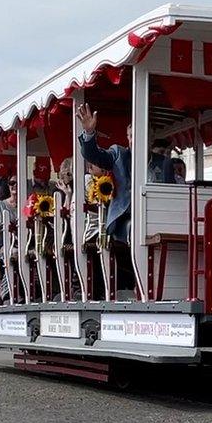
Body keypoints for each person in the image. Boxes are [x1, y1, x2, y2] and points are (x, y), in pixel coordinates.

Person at [75, 103, 135, 292]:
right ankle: (137, 285)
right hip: (124, 218)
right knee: (135, 228)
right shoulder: (119, 154)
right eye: (131, 136)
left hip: (156, 216)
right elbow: (93, 155)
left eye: (140, 135)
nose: (135, 140)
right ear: (128, 138)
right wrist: (89, 133)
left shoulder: (161, 162)